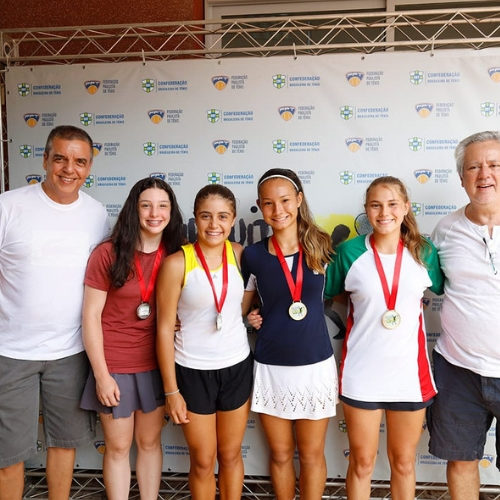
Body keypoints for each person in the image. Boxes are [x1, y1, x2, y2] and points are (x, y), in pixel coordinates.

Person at [0, 125, 109, 500]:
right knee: (8, 455)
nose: (69, 169)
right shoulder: (8, 206)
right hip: (11, 352)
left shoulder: (96, 214)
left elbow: (102, 285)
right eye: (60, 158)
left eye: (80, 161)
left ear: (89, 166)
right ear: (45, 160)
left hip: (70, 352)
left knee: (64, 446)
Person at [325, 176, 444, 500]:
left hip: (409, 375)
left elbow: (447, 288)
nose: (384, 212)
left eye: (392, 204)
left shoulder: (424, 253)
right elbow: (325, 292)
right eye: (376, 205)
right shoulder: (348, 252)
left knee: (403, 463)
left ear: (406, 207)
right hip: (361, 374)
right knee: (362, 463)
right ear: (366, 210)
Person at [80, 177, 184, 499]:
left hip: (156, 364)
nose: (155, 213)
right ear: (133, 210)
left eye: (162, 206)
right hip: (115, 365)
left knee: (150, 443)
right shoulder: (107, 253)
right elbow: (90, 317)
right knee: (118, 447)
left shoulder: (177, 254)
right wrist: (102, 375)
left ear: (171, 211)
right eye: (146, 205)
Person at [242, 168, 338, 500]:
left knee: (311, 455)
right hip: (271, 366)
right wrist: (250, 317)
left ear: (298, 200)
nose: (278, 209)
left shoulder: (323, 246)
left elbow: (349, 292)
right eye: (268, 203)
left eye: (285, 200)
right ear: (260, 206)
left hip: (315, 365)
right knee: (281, 454)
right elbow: (241, 307)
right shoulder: (253, 255)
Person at [156, 184, 252, 500]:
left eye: (223, 216)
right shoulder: (177, 263)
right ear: (195, 218)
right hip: (192, 371)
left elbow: (245, 304)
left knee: (231, 454)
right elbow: (164, 329)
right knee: (202, 460)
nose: (214, 224)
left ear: (233, 219)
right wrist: (171, 391)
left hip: (236, 367)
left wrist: (256, 315)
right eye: (206, 216)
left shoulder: (239, 255)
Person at [427, 131, 500, 499]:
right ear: (461, 178)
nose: (484, 174)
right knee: (460, 460)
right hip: (458, 369)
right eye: (474, 167)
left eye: (494, 165)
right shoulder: (445, 230)